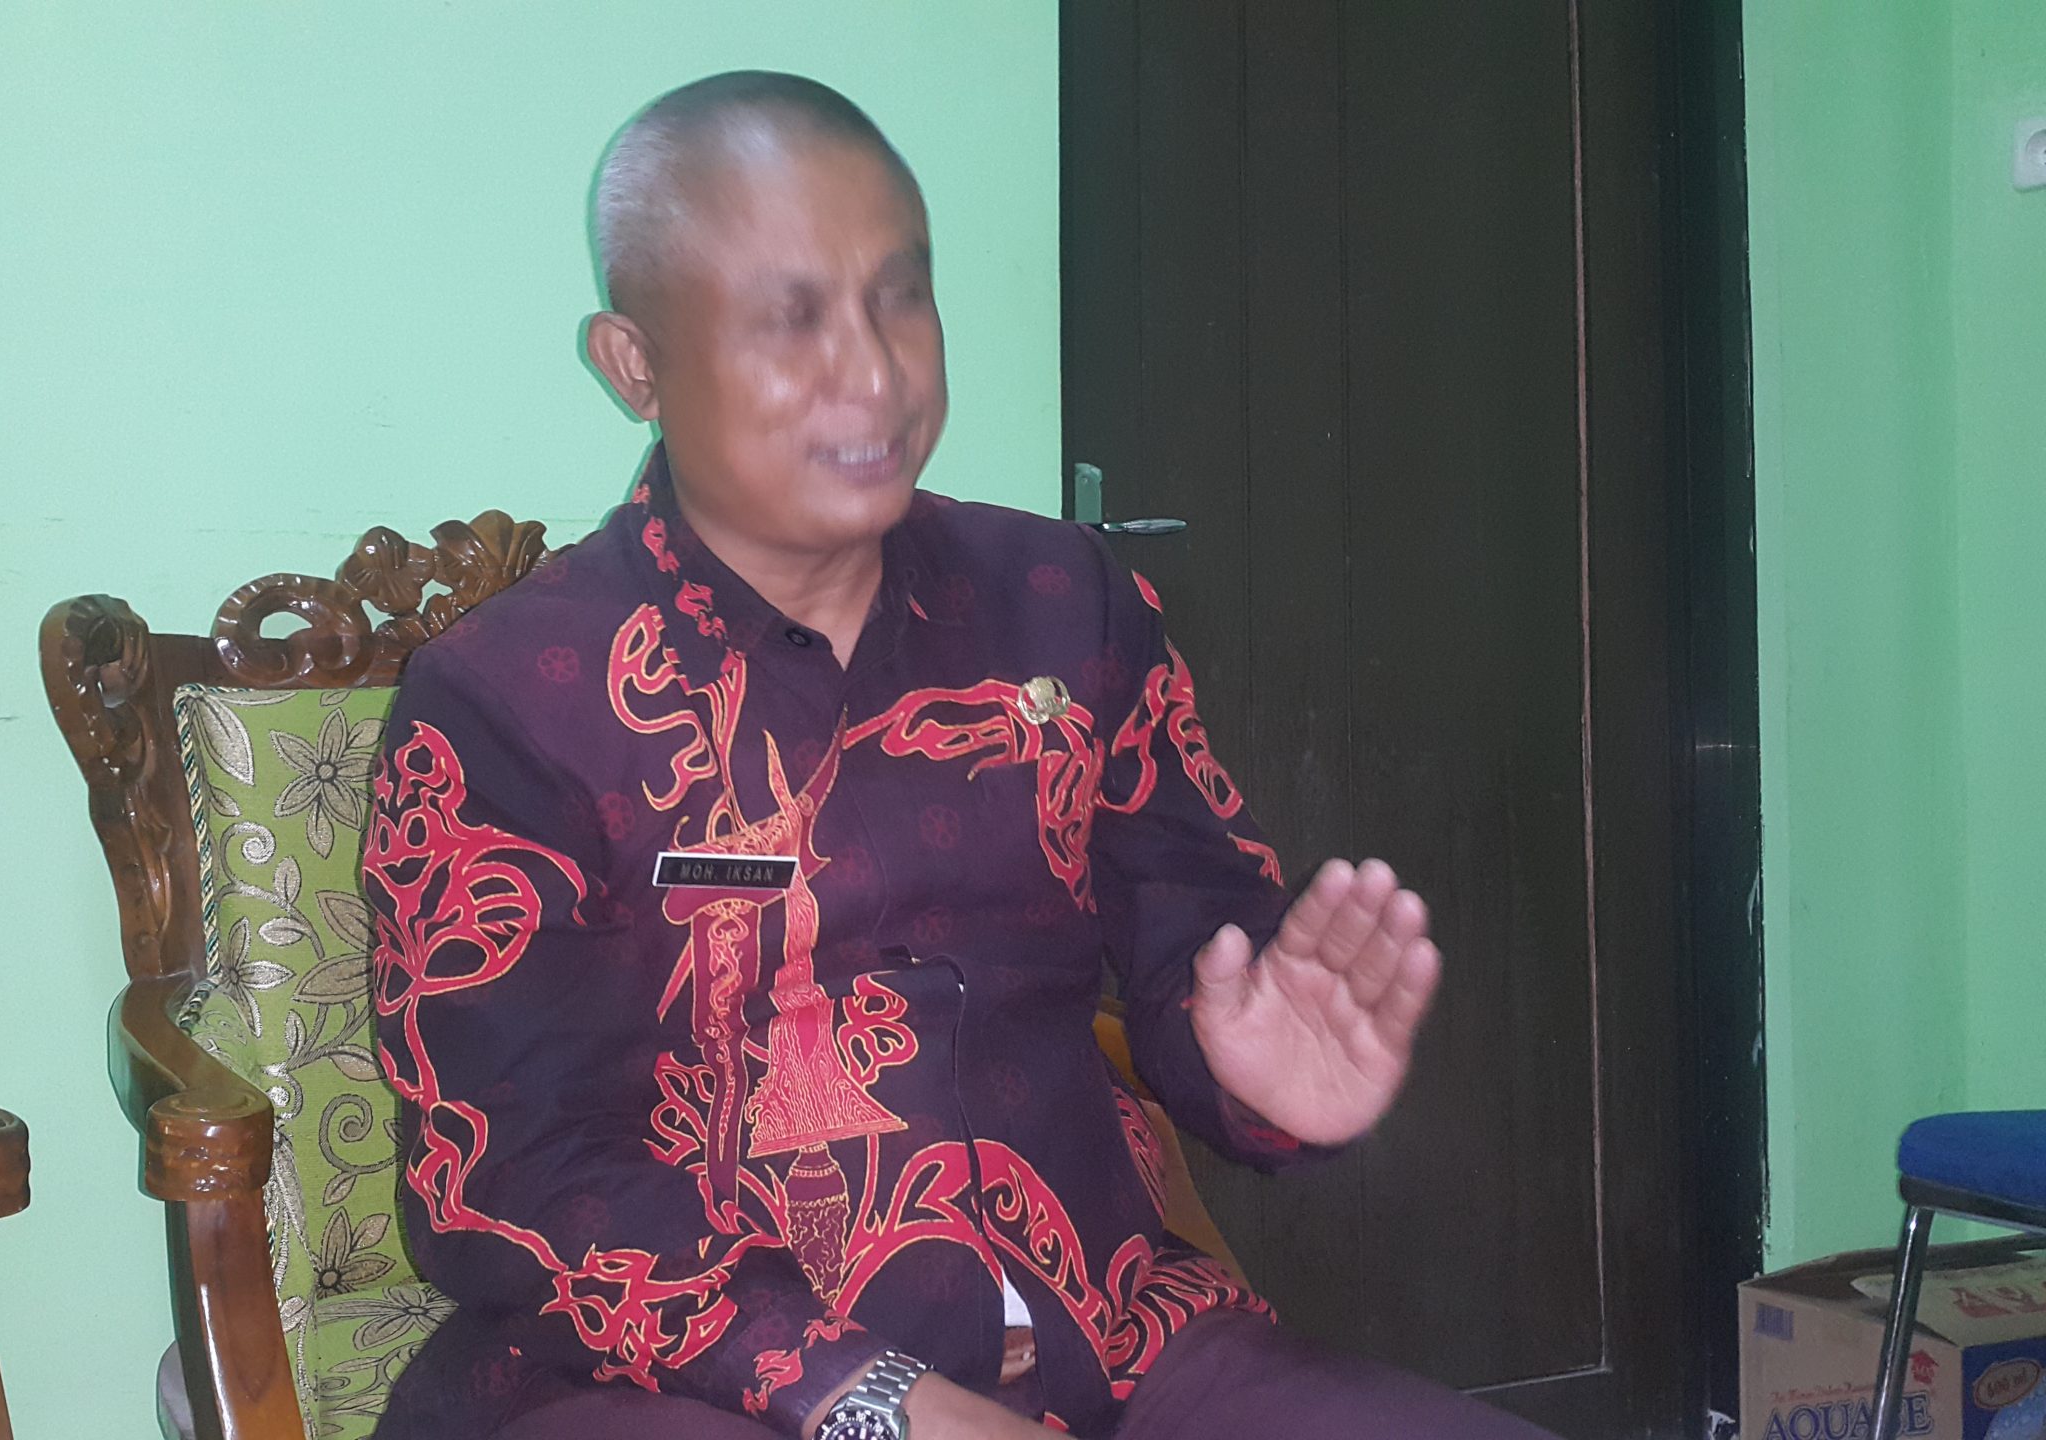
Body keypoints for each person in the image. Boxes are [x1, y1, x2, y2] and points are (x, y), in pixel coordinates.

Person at [363, 71, 1553, 1440]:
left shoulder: (1063, 603)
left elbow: (1198, 939)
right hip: (677, 1382)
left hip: (1115, 1340)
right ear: (635, 364)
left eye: (902, 297)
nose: (875, 373)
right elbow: (513, 1176)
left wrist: (1252, 1075)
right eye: (790, 318)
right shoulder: (509, 701)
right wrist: (875, 1401)